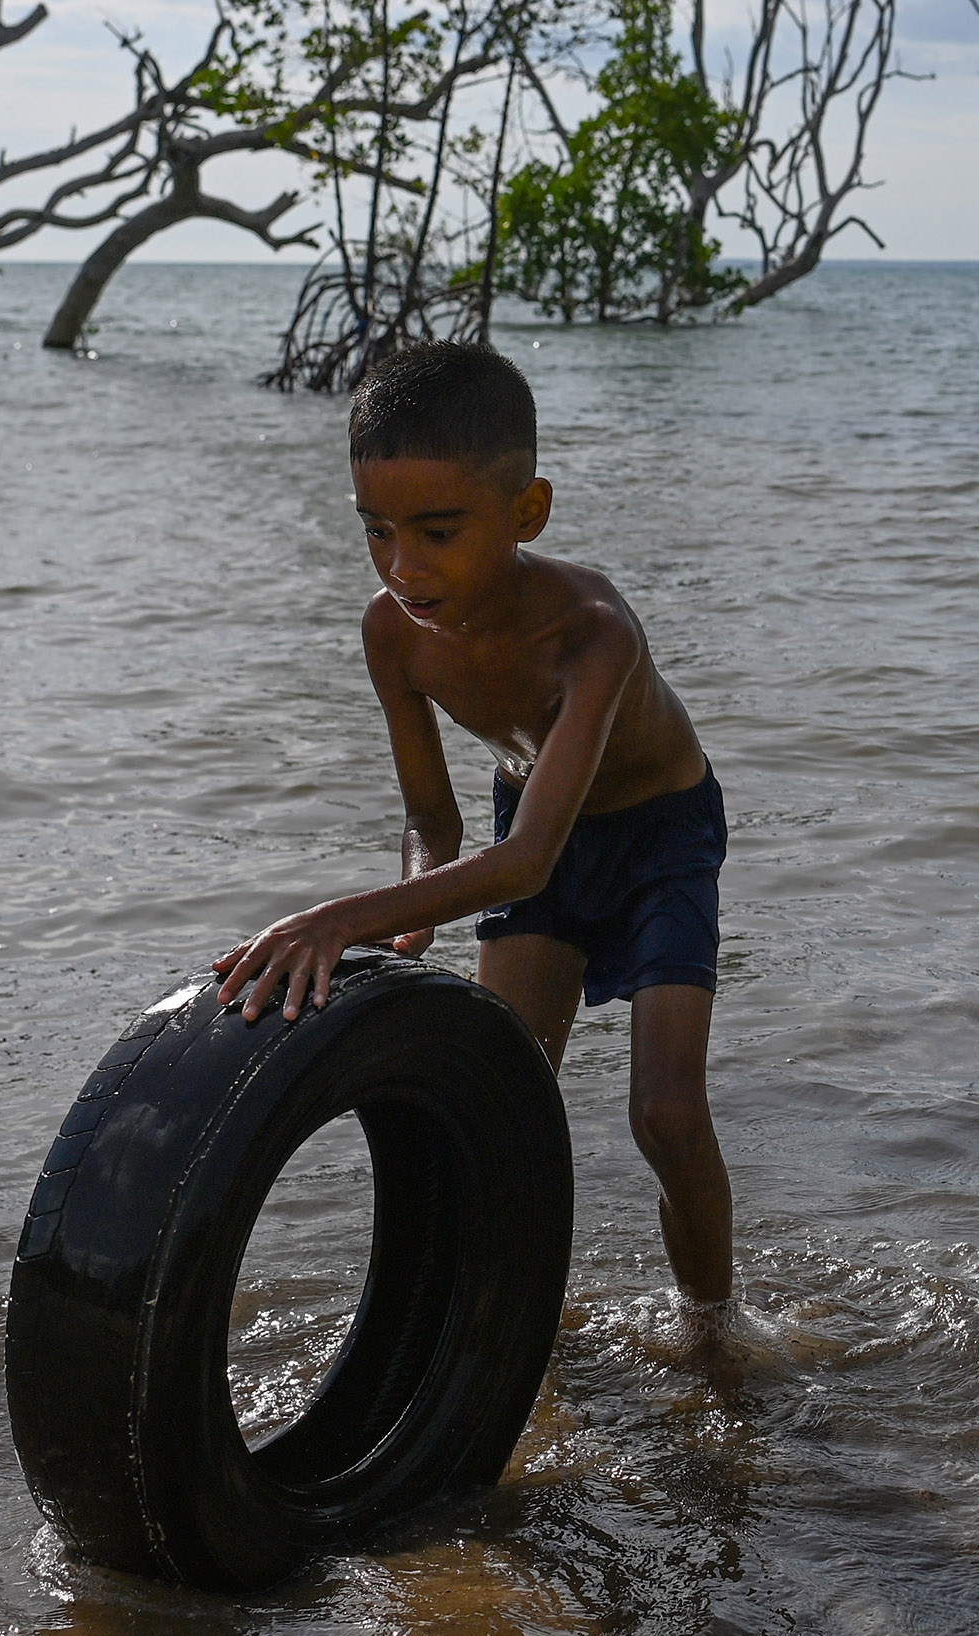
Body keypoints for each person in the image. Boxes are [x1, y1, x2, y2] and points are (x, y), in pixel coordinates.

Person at [211, 342, 735, 1311]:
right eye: (376, 531)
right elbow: (431, 817)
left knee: (664, 1113)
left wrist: (341, 918)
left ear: (525, 511)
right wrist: (410, 912)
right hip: (521, 819)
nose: (403, 566)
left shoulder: (591, 631)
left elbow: (527, 859)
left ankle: (714, 1328)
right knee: (504, 1099)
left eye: (438, 531)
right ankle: (511, 1330)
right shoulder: (390, 630)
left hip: (658, 834)